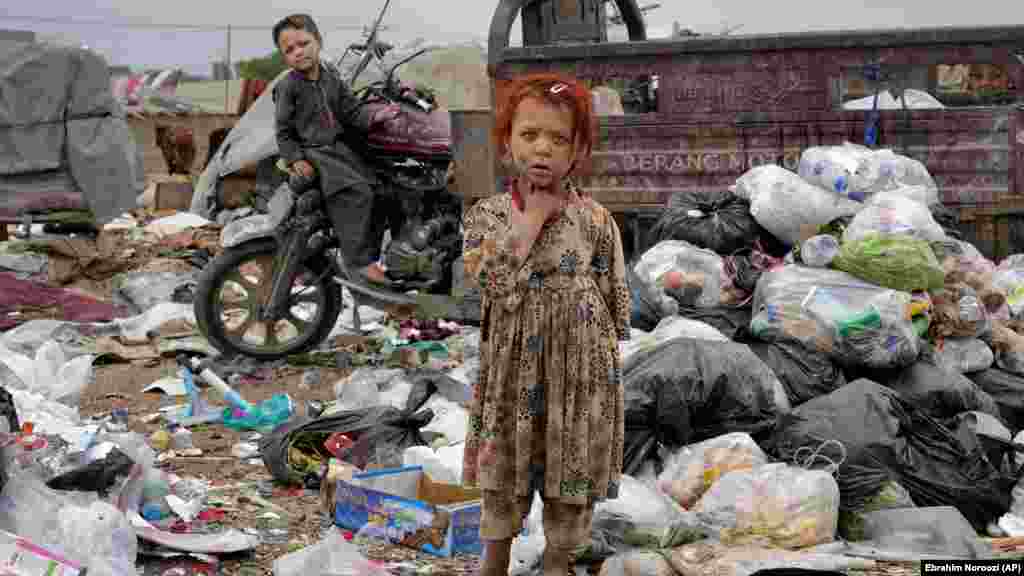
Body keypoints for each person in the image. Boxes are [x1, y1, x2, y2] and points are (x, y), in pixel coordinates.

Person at [460, 73, 631, 576]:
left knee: (570, 476)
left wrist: (603, 373)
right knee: (505, 475)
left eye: (558, 139)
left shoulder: (595, 218)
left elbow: (612, 291)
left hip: (578, 380)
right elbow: (492, 282)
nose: (542, 149)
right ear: (507, 141)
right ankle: (494, 563)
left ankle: (558, 563)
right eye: (529, 134)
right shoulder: (488, 216)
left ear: (578, 149)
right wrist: (531, 220)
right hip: (513, 377)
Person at [271, 13, 397, 285]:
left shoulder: (331, 77)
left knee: (379, 189)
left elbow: (352, 111)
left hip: (339, 149)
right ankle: (357, 262)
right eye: (289, 50)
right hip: (315, 152)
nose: (298, 52)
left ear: (318, 41)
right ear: (284, 57)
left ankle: (374, 257)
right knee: (356, 192)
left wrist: (377, 116)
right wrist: (295, 158)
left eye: (303, 43)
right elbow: (283, 130)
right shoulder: (288, 86)